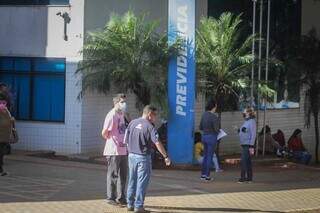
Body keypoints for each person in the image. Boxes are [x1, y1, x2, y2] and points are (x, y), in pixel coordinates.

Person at [125, 105, 171, 213]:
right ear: (150, 115)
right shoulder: (149, 126)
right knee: (142, 182)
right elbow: (157, 142)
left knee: (132, 180)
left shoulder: (132, 123)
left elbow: (126, 140)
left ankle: (130, 204)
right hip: (143, 158)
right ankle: (138, 206)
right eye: (155, 115)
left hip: (131, 156)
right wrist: (166, 156)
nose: (156, 118)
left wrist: (131, 151)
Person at [101, 93, 128, 206]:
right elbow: (104, 132)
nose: (124, 104)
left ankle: (121, 198)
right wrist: (112, 140)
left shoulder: (121, 114)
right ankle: (110, 198)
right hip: (113, 150)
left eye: (124, 102)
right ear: (116, 103)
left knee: (123, 175)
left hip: (123, 149)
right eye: (122, 102)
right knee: (113, 175)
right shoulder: (111, 115)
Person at [199, 99, 220, 181]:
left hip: (204, 137)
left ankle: (203, 175)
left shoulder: (204, 115)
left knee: (205, 156)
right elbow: (217, 129)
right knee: (209, 157)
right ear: (214, 106)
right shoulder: (214, 117)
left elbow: (200, 127)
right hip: (212, 138)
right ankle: (207, 176)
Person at [238, 107, 256, 183]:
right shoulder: (246, 121)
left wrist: (251, 145)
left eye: (244, 112)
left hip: (248, 144)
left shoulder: (252, 121)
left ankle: (243, 177)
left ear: (249, 113)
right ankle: (249, 178)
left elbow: (253, 134)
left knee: (244, 161)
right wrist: (238, 130)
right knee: (247, 162)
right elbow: (244, 131)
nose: (243, 113)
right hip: (244, 144)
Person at [0, 94, 12, 176]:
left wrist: (12, 120)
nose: (3, 104)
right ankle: (1, 170)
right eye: (1, 102)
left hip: (5, 137)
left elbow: (8, 122)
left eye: (4, 103)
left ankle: (1, 170)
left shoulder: (7, 111)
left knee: (1, 154)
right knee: (0, 153)